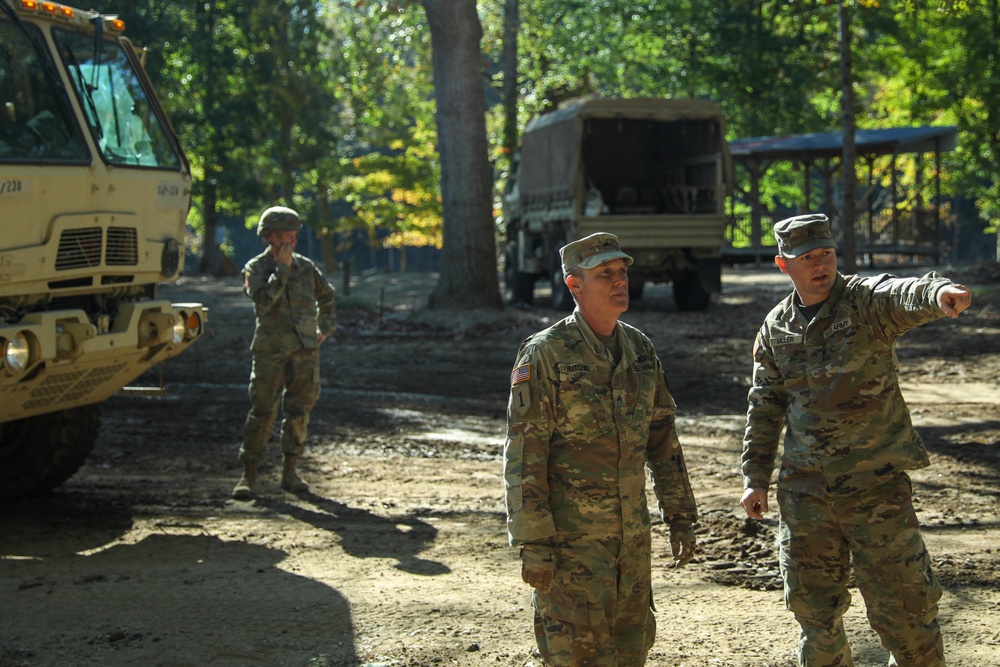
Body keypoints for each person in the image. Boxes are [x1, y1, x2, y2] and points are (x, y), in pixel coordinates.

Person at [739, 213, 973, 667]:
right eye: (806, 258)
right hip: (806, 495)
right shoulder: (776, 327)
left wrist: (939, 292)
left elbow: (904, 291)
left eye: (825, 254)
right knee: (816, 618)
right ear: (783, 265)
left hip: (875, 490)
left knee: (908, 618)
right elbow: (765, 405)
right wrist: (755, 478)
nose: (820, 264)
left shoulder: (863, 303)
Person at [503, 232, 699, 667]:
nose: (619, 281)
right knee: (578, 656)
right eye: (605, 273)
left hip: (632, 543)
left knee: (632, 652)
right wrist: (533, 542)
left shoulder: (640, 350)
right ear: (574, 285)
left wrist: (681, 514)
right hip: (572, 548)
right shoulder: (545, 354)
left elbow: (663, 440)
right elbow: (524, 454)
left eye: (622, 272)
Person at [232, 206, 336, 500]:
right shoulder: (256, 269)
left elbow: (327, 297)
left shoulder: (306, 267)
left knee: (298, 411)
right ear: (270, 237)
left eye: (294, 234)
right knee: (262, 411)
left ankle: (290, 473)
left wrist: (323, 329)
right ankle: (248, 476)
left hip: (304, 351)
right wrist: (281, 268)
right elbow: (263, 302)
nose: (293, 239)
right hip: (270, 351)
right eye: (286, 234)